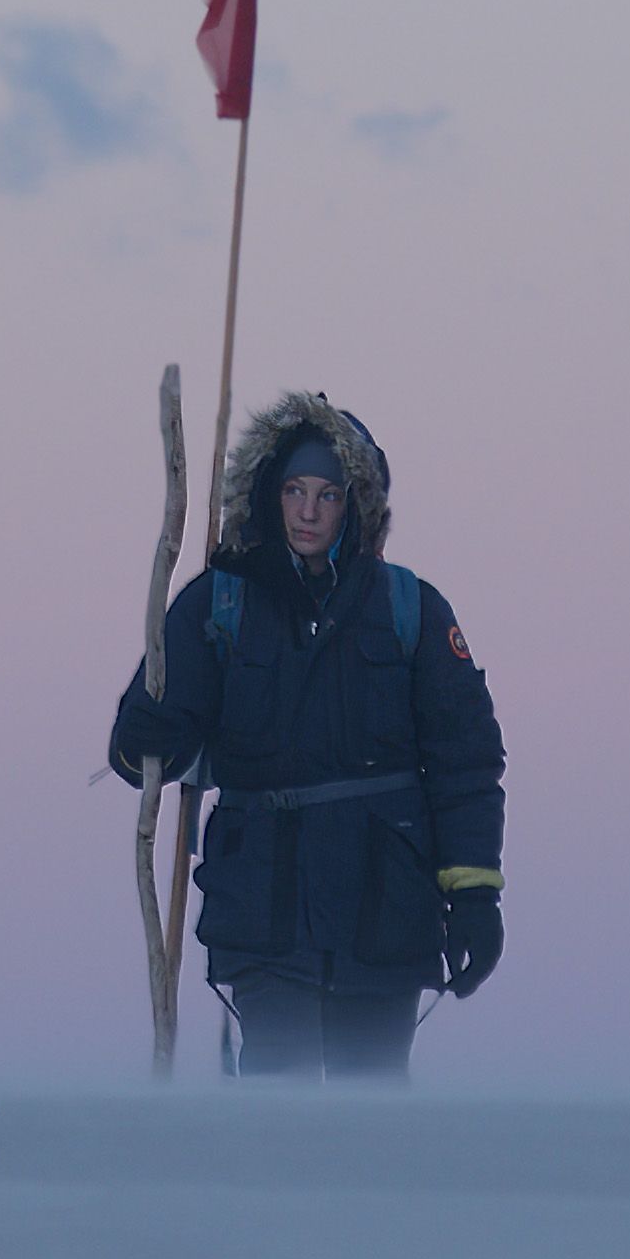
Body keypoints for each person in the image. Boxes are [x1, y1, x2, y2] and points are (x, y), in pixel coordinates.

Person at [109, 394, 507, 1081]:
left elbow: (464, 763)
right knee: (277, 1118)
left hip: (384, 910)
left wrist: (473, 895)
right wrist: (150, 731)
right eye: (294, 490)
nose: (309, 511)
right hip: (265, 910)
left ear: (357, 504)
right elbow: (139, 752)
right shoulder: (217, 604)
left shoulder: (410, 609)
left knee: (371, 1116)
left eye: (328, 493)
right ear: (268, 493)